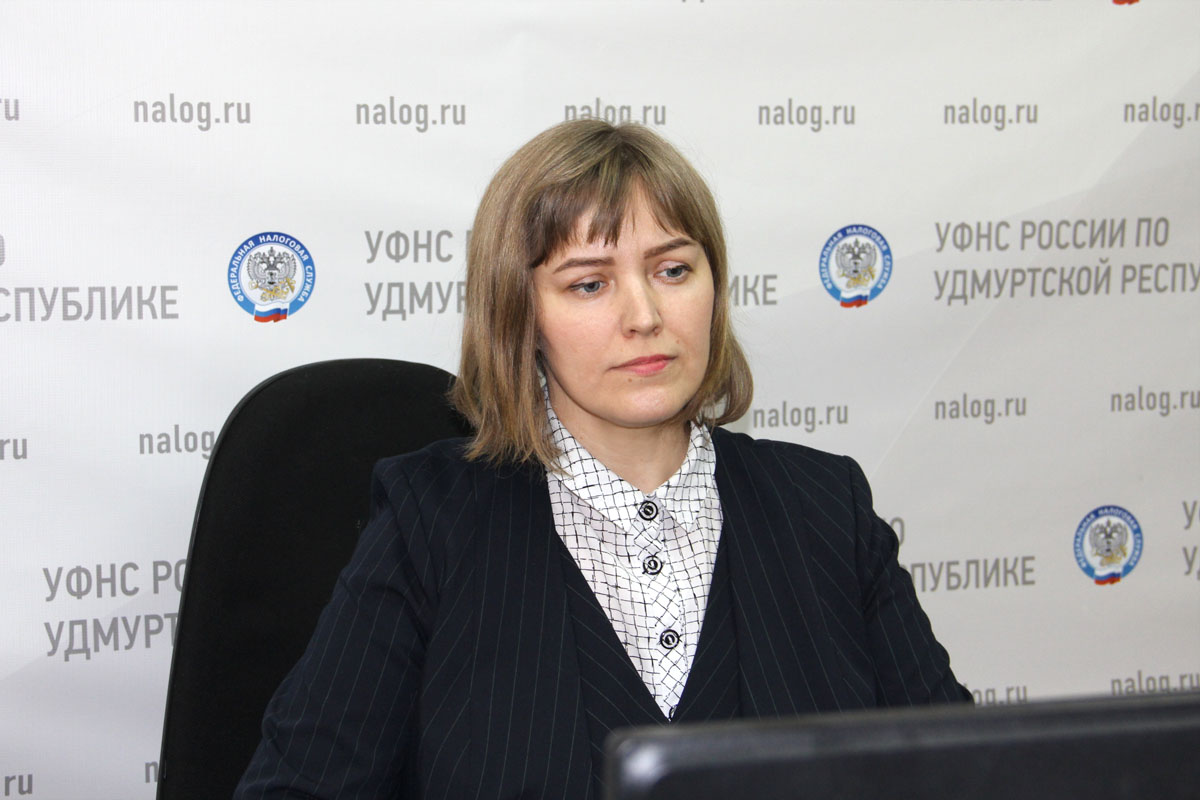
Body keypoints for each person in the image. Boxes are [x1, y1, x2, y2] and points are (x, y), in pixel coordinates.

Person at [235, 120, 970, 800]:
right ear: (522, 318)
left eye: (673, 270)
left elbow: (968, 773)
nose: (645, 316)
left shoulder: (827, 506)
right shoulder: (430, 520)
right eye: (589, 284)